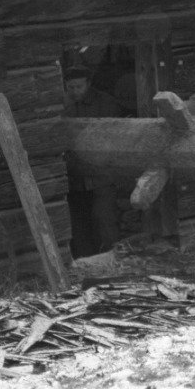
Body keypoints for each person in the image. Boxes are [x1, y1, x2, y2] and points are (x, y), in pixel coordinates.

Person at [62, 66, 123, 255]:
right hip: (75, 178)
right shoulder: (63, 106)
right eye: (70, 87)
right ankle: (85, 262)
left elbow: (115, 135)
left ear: (88, 83)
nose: (75, 91)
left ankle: (112, 259)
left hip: (101, 175)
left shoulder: (106, 103)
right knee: (79, 224)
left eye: (79, 86)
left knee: (104, 219)